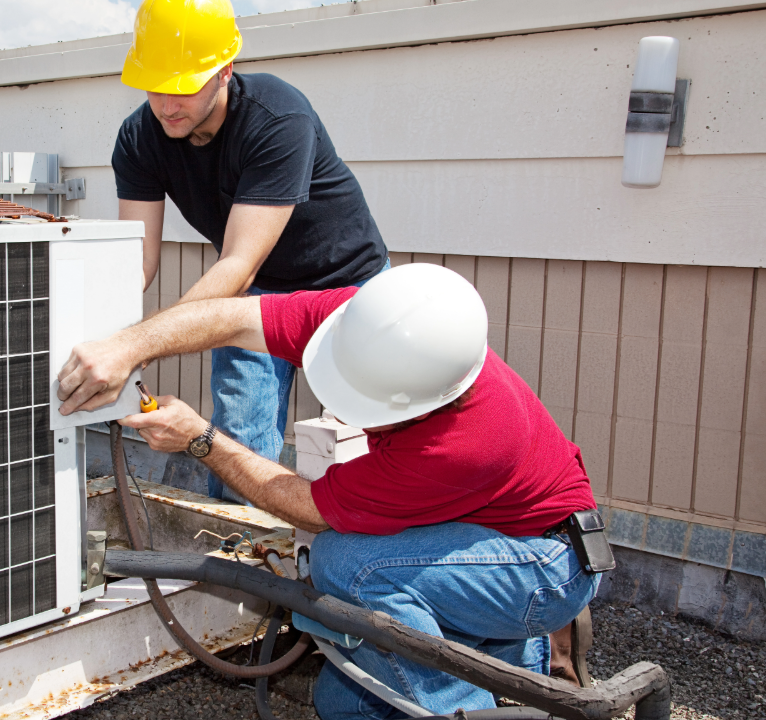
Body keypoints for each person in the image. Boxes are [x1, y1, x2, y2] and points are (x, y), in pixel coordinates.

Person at [56, 263, 601, 719]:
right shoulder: (370, 320)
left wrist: (201, 439)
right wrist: (128, 346)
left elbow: (313, 510)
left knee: (350, 565)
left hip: (542, 567)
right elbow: (231, 316)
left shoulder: (462, 443)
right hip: (485, 534)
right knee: (344, 704)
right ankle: (495, 662)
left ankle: (471, 705)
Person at [115, 0, 388, 502]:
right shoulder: (139, 137)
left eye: (185, 86)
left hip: (348, 285)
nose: (167, 104)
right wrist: (106, 334)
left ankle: (361, 554)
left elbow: (238, 264)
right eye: (156, 85)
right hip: (260, 292)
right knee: (237, 437)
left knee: (368, 437)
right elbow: (139, 260)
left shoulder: (276, 116)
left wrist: (141, 342)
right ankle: (245, 561)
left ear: (224, 71)